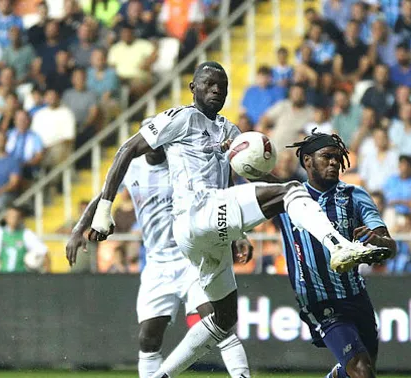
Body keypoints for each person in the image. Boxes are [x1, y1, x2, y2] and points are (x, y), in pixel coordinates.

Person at [67, 61, 388, 378]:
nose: (216, 89)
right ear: (193, 88)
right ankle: (338, 245)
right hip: (195, 215)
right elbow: (126, 149)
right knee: (291, 192)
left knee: (223, 319)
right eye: (209, 83)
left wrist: (243, 229)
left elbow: (243, 182)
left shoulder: (230, 133)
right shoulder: (181, 118)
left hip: (210, 233)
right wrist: (104, 210)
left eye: (222, 85)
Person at [76, 137, 252, 377]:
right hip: (156, 264)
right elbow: (102, 197)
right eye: (147, 138)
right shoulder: (130, 166)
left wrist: (238, 233)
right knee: (148, 337)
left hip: (192, 257)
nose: (152, 143)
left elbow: (220, 192)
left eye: (157, 137)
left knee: (219, 321)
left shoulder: (182, 162)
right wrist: (78, 230)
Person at [279, 131, 396, 378]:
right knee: (361, 370)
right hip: (319, 300)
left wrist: (376, 241)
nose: (334, 162)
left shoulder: (355, 196)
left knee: (364, 371)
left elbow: (390, 246)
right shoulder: (287, 197)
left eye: (338, 158)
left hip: (356, 296)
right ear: (307, 160)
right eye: (327, 157)